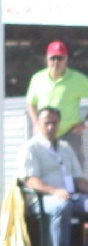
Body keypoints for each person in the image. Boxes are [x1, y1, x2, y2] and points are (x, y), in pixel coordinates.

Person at [18, 106, 88, 246]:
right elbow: (30, 180)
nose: (51, 127)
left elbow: (78, 179)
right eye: (47, 123)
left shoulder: (65, 147)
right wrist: (54, 191)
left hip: (70, 195)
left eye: (54, 123)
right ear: (38, 124)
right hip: (43, 198)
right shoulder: (30, 148)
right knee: (61, 206)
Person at [26, 40, 88, 170]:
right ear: (46, 59)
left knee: (75, 171)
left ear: (66, 59)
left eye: (60, 58)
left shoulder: (78, 79)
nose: (56, 62)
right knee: (41, 169)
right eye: (52, 58)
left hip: (69, 134)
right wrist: (36, 122)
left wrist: (85, 124)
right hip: (43, 134)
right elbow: (31, 103)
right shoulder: (38, 78)